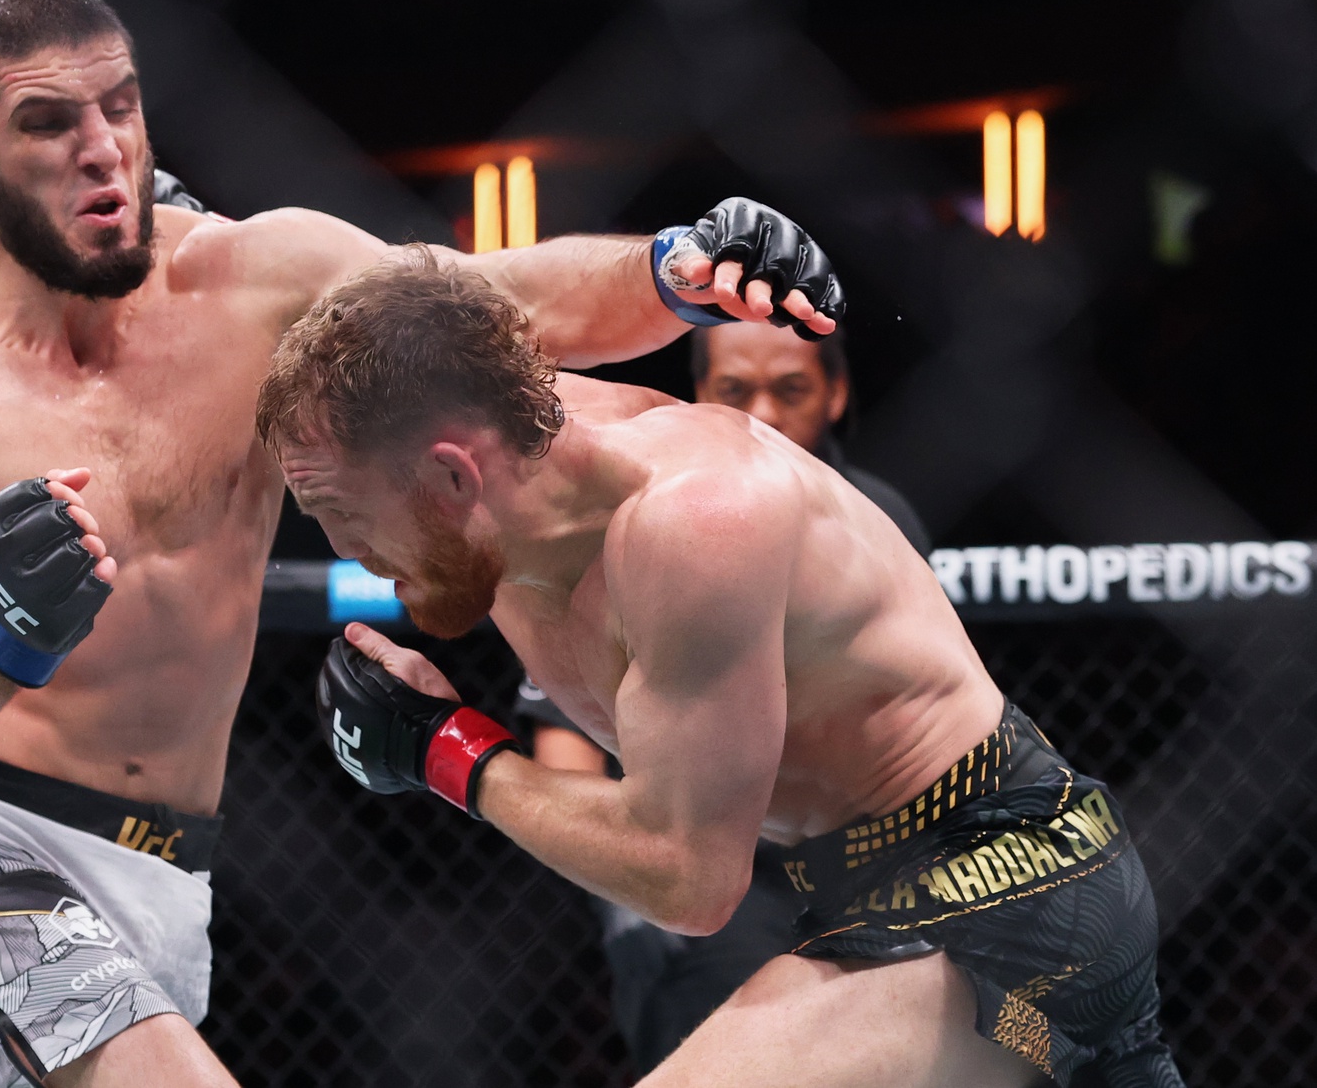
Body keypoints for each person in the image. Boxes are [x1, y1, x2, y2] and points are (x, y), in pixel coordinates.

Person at [0, 0, 844, 1088]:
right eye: (47, 123)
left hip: (165, 882)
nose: (103, 149)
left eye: (121, 105)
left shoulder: (260, 278)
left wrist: (674, 269)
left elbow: (494, 310)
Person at [256, 250, 1184, 1087]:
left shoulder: (694, 523)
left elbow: (686, 880)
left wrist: (445, 749)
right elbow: (440, 301)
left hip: (1005, 877)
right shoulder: (487, 463)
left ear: (453, 478)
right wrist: (665, 261)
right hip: (864, 891)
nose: (344, 550)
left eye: (343, 514)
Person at [519, 320, 931, 1071]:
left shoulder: (883, 524)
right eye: (736, 392)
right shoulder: (636, 521)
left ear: (835, 393)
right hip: (705, 868)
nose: (766, 415)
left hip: (863, 865)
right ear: (699, 394)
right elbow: (563, 726)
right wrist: (618, 885)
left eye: (792, 390)